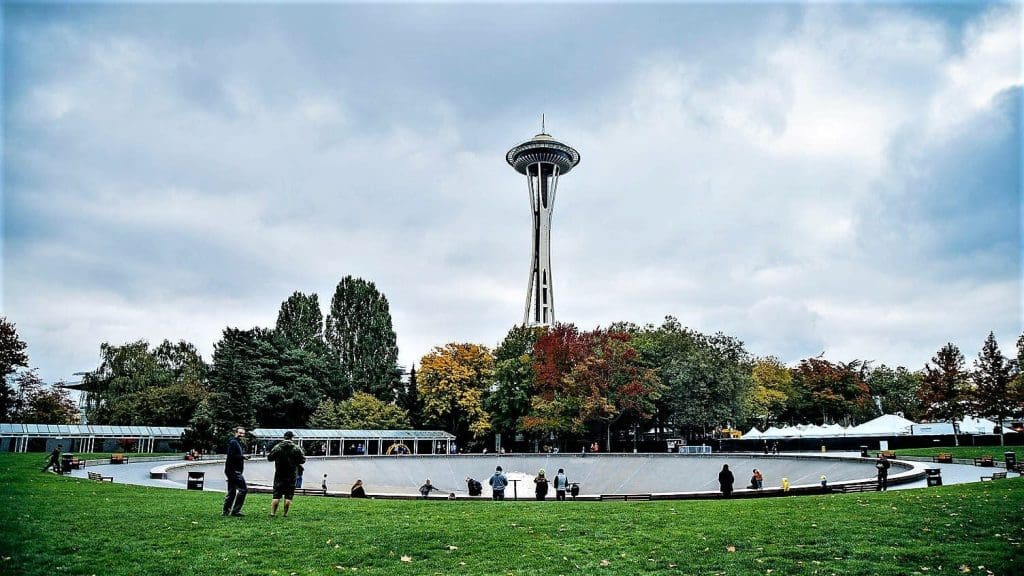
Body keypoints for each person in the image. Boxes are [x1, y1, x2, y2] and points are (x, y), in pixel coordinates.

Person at [268, 431, 306, 517]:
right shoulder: (296, 448)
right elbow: (302, 460)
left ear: (284, 437)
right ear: (292, 438)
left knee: (276, 495)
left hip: (279, 473)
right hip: (291, 474)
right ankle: (285, 514)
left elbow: (270, 458)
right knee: (289, 495)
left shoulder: (277, 447)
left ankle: (273, 513)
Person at [223, 427, 248, 517]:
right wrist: (242, 457)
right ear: (236, 433)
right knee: (243, 489)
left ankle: (226, 511)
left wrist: (242, 456)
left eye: (243, 433)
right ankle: (235, 511)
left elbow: (234, 455)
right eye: (240, 433)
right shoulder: (234, 442)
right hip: (234, 470)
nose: (241, 435)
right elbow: (232, 456)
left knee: (232, 491)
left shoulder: (236, 442)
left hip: (231, 470)